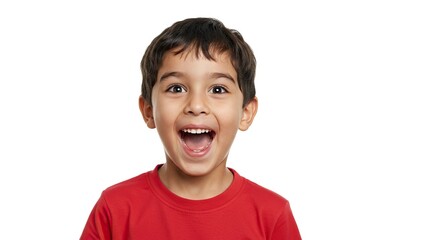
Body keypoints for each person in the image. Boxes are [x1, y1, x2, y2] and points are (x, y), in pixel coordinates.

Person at [80, 17, 302, 239]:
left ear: (246, 112)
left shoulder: (272, 215)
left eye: (218, 90)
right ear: (148, 110)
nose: (196, 106)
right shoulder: (114, 209)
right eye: (176, 88)